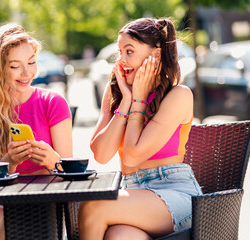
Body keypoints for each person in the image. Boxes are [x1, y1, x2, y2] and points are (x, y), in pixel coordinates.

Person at [78, 17, 203, 240]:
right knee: (118, 236)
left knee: (94, 206)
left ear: (155, 55)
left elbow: (133, 155)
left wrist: (139, 99)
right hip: (135, 194)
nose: (121, 60)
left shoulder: (178, 96)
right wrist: (125, 101)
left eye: (129, 51)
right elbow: (101, 154)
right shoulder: (117, 91)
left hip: (174, 194)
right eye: (119, 52)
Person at [0, 23, 73, 240]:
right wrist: (10, 162)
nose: (27, 73)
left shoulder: (53, 103)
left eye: (32, 62)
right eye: (15, 66)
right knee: (14, 227)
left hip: (39, 202)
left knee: (23, 222)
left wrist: (53, 160)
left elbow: (69, 176)